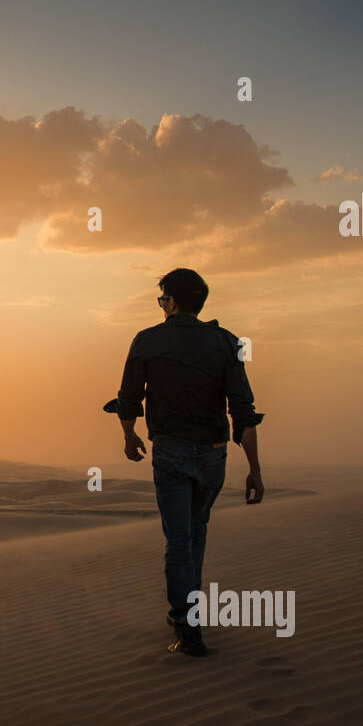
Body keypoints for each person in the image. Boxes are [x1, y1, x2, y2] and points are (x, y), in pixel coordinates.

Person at [109, 268, 264, 657]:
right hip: (213, 453)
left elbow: (129, 399)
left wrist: (128, 436)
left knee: (178, 540)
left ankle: (187, 625)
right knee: (196, 534)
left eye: (163, 300)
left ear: (172, 302)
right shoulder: (227, 342)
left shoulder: (147, 340)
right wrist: (256, 469)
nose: (162, 307)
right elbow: (243, 411)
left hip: (171, 451)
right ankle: (188, 612)